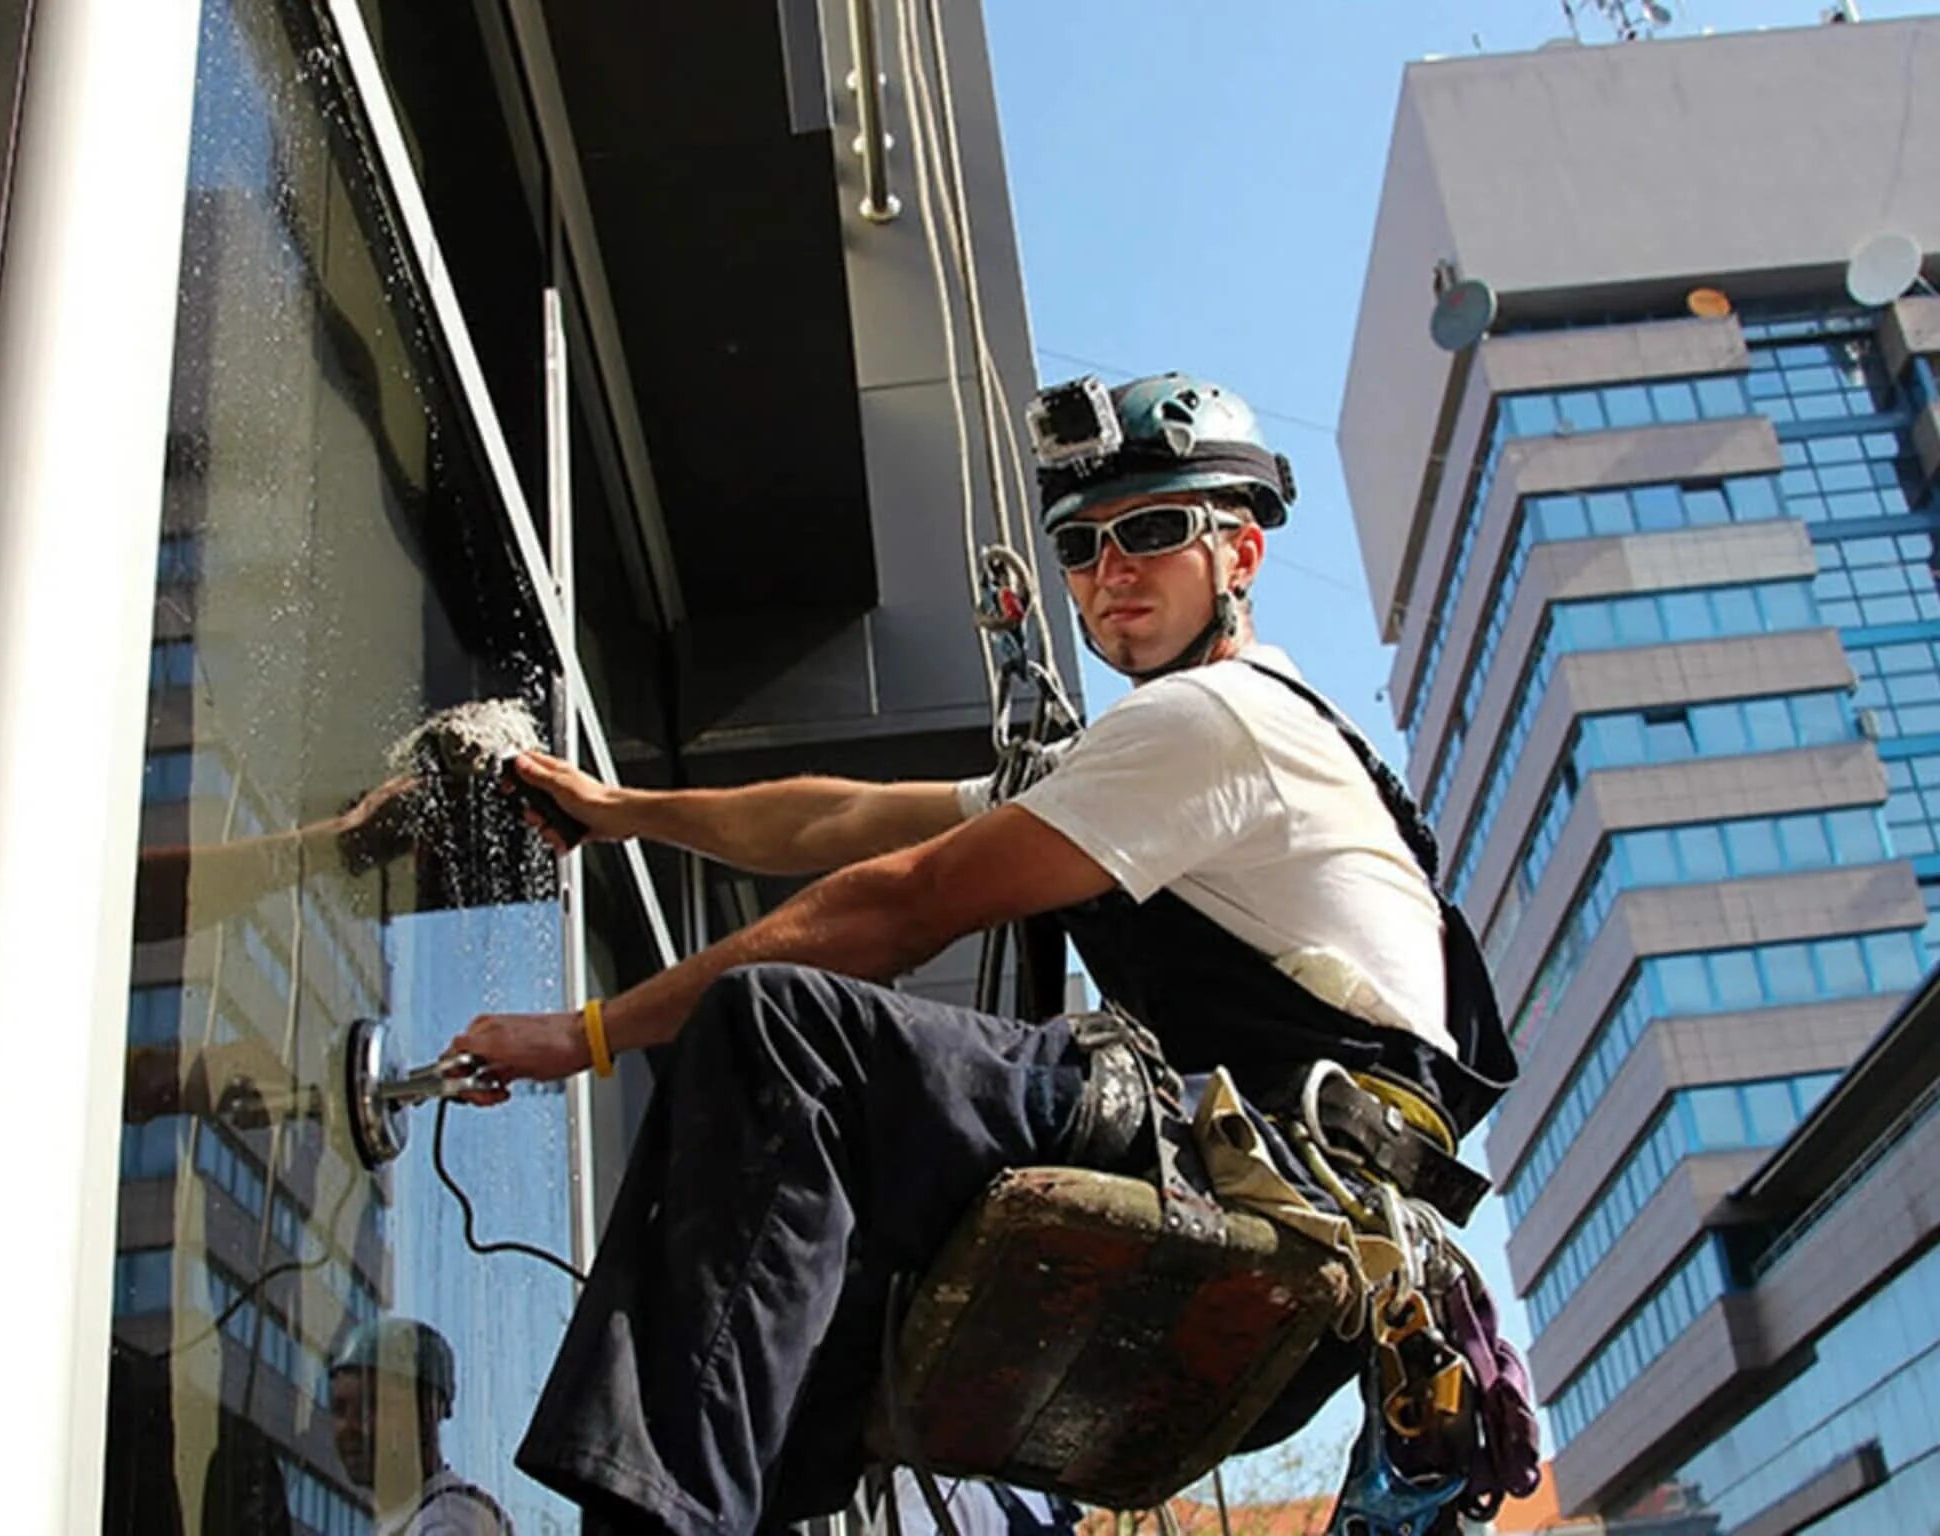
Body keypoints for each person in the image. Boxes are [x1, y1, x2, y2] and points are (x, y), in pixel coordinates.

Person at [451, 373, 1514, 1536]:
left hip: (1270, 1178)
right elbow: (841, 819)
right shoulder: (1171, 748)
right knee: (813, 1323)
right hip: (1287, 1212)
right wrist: (622, 811)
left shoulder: (1214, 720)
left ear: (1240, 555)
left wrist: (587, 1035)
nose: (1110, 572)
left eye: (1153, 532)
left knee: (783, 1034)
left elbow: (903, 905)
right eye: (1079, 546)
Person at [328, 1317, 516, 1536]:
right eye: (339, 1410)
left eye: (373, 1407)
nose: (349, 1428)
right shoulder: (411, 1519)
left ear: (429, 1412)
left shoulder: (449, 1521)